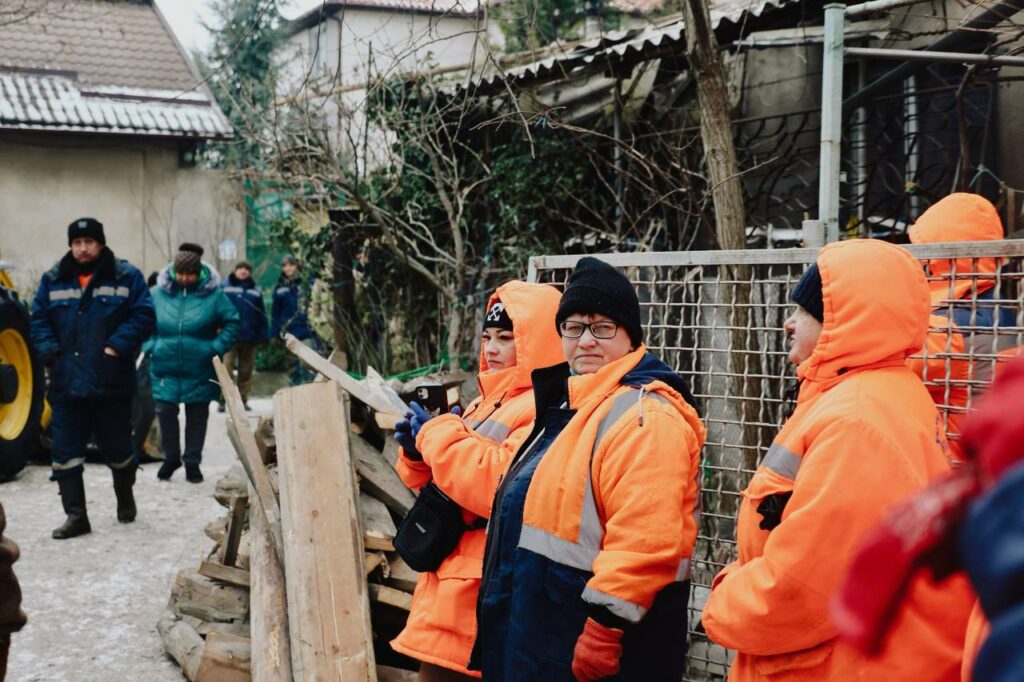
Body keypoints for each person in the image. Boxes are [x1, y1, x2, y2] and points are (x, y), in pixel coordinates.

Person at [701, 239, 973, 681]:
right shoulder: (874, 393)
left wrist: (724, 601)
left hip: (828, 663)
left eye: (805, 312)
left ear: (844, 324)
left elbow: (806, 588)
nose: (789, 323)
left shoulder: (857, 420)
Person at [470, 257, 706, 681]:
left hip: (598, 644)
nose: (586, 341)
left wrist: (605, 626)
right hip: (546, 633)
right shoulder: (571, 406)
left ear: (630, 335)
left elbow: (646, 539)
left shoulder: (643, 415)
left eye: (602, 327)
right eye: (574, 328)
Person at [390, 281, 564, 682]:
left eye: (506, 338)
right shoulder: (486, 400)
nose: (491, 349)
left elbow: (496, 487)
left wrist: (436, 434)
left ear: (537, 342)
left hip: (479, 592)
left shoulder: (542, 409)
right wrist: (417, 453)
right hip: (452, 582)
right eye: (487, 337)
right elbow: (447, 483)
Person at [29, 217, 155, 539]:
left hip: (110, 383)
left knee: (120, 451)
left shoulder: (127, 276)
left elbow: (144, 315)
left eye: (89, 242)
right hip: (66, 384)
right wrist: (50, 354)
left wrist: (116, 346)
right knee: (65, 453)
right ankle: (76, 517)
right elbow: (39, 320)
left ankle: (125, 497)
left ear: (100, 243)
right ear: (70, 245)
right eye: (77, 242)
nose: (83, 248)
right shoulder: (53, 280)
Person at [905, 193, 1019, 462]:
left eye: (922, 251)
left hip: (948, 463)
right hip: (990, 461)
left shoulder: (943, 327)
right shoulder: (1003, 312)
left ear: (937, 258)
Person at [149, 244, 239, 483]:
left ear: (198, 273)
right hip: (164, 365)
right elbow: (141, 320)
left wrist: (215, 348)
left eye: (190, 274)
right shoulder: (157, 294)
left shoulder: (215, 295)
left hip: (199, 366)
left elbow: (232, 322)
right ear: (173, 271)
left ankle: (192, 463)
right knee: (165, 412)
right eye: (181, 273)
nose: (185, 278)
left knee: (197, 416)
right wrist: (150, 346)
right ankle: (171, 458)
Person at [218, 261, 269, 411]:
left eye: (246, 269)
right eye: (240, 268)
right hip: (229, 336)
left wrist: (264, 336)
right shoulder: (224, 287)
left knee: (246, 371)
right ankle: (223, 400)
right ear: (235, 270)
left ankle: (243, 399)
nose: (243, 271)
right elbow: (217, 308)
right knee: (226, 369)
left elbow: (262, 314)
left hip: (250, 336)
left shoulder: (255, 291)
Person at [271, 255, 315, 386]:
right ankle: (295, 393)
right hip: (289, 332)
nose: (288, 268)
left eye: (291, 265)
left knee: (308, 363)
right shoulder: (279, 287)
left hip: (307, 330)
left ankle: (310, 390)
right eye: (284, 265)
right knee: (293, 366)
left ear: (297, 266)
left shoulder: (308, 283)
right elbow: (275, 312)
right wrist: (274, 333)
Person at [131, 271, 160, 463]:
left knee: (149, 404)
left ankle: (143, 445)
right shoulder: (143, 303)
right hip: (139, 356)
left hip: (149, 357)